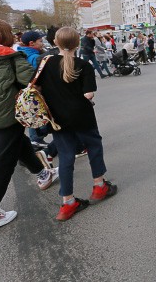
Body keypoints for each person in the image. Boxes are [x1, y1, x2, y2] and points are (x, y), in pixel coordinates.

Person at [35, 27, 117, 221]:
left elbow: (36, 88)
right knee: (94, 147)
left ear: (55, 42)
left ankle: (68, 203)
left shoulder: (45, 62)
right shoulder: (83, 65)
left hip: (57, 119)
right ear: (77, 43)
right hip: (83, 117)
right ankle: (99, 186)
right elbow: (88, 94)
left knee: (65, 158)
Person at [0, 17, 59, 233]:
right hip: (9, 113)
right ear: (2, 35)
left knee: (18, 144)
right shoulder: (8, 56)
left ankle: (43, 174)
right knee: (3, 159)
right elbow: (30, 80)